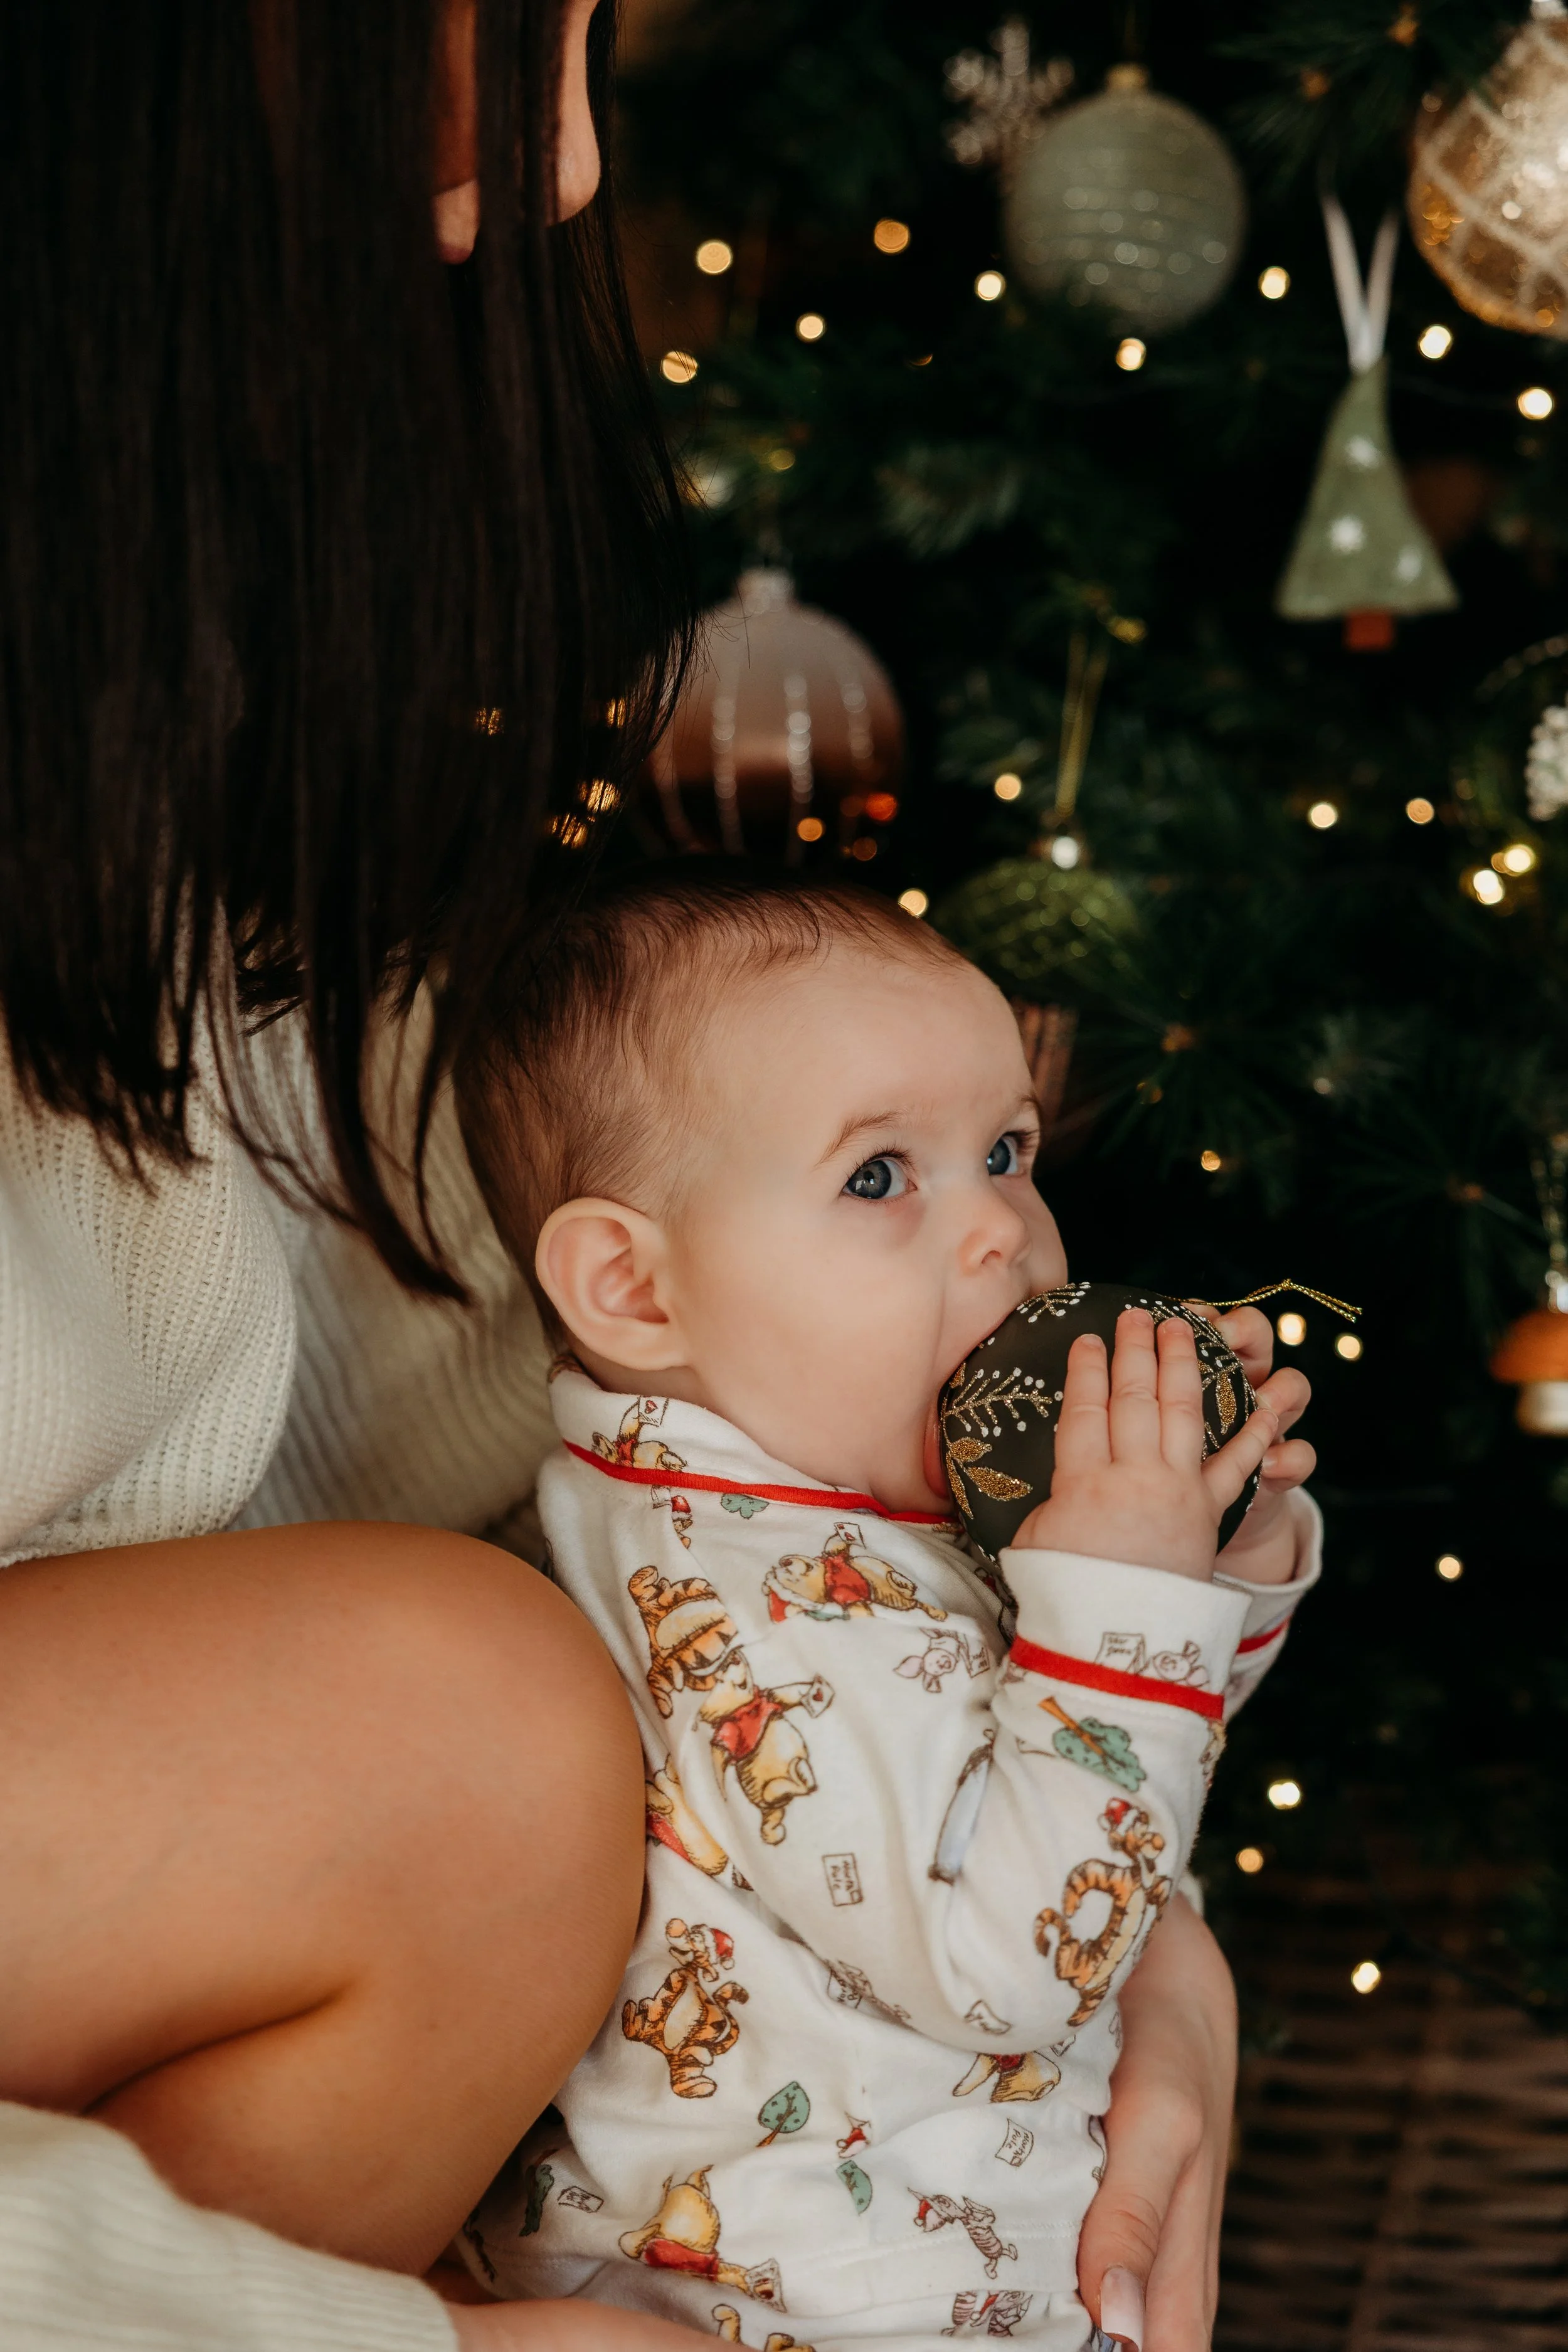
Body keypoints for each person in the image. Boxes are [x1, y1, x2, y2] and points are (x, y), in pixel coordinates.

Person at [0, 8, 1290, 2351]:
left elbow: (619, 1502)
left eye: (1003, 1151)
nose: (576, 155)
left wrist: (1157, 1943)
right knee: (461, 1732)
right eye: (486, 29)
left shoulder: (219, 662)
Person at [450, 870, 1319, 2351]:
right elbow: (1012, 1960)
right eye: (878, 1177)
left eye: (1005, 1151)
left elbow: (1094, 1782)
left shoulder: (826, 1490)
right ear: (634, 1290)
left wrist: (1207, 1564)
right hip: (811, 2305)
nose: (1000, 1232)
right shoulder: (750, 1600)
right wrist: (1128, 1602)